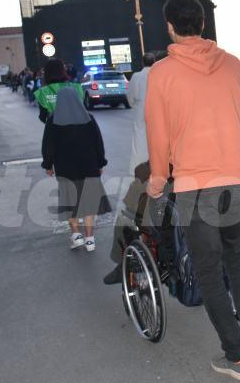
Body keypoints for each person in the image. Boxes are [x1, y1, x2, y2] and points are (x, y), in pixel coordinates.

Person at [145, 0, 240, 381]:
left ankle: (237, 357)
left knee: (209, 270)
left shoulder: (161, 73)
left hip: (197, 185)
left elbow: (158, 134)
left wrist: (158, 178)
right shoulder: (233, 65)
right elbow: (239, 118)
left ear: (169, 26)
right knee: (236, 256)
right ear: (202, 24)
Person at [41, 88, 111, 252]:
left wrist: (48, 165)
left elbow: (48, 147)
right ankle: (90, 239)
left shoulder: (53, 121)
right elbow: (98, 144)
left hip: (66, 170)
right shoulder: (89, 119)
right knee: (89, 204)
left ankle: (76, 236)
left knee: (70, 202)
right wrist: (100, 163)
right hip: (89, 167)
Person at [127, 51, 155, 173]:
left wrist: (134, 105)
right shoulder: (159, 74)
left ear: (142, 63)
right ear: (154, 62)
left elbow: (130, 96)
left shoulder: (136, 76)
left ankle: (138, 168)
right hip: (157, 111)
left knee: (139, 140)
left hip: (140, 111)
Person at [34, 59, 84, 123]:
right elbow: (82, 110)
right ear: (63, 71)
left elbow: (42, 117)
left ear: (46, 73)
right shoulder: (76, 87)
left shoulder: (43, 92)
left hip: (55, 129)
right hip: (77, 127)